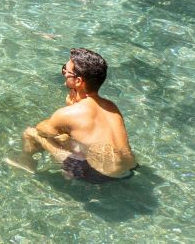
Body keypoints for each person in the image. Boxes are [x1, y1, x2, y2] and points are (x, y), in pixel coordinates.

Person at [7, 48, 137, 183]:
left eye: (66, 71)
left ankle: (25, 164)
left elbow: (42, 130)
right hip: (128, 170)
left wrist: (69, 107)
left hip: (97, 175)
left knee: (31, 133)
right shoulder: (111, 106)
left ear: (78, 81)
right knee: (65, 137)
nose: (64, 73)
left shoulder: (70, 114)